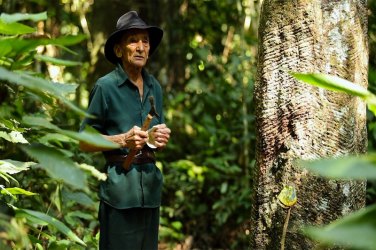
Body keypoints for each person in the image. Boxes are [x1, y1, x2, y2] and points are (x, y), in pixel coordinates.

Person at [79, 11, 171, 250]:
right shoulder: (105, 87)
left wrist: (157, 139)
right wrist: (121, 139)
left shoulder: (155, 88)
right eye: (133, 40)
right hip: (119, 194)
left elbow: (151, 141)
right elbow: (83, 140)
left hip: (150, 192)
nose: (140, 47)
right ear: (119, 50)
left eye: (145, 41)